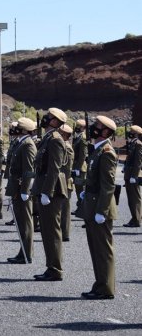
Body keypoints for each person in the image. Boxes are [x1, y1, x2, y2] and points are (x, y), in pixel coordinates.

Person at [81, 115, 117, 300]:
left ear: (106, 131)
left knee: (103, 249)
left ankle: (106, 288)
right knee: (95, 249)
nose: (93, 128)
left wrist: (102, 211)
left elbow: (108, 185)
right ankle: (100, 284)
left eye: (97, 126)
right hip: (93, 205)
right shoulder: (97, 150)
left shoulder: (107, 152)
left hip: (100, 209)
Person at [31, 107, 69, 281]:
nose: (46, 118)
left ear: (55, 121)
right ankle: (51, 267)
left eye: (49, 117)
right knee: (46, 231)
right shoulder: (48, 138)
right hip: (44, 187)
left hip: (51, 190)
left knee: (52, 231)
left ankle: (55, 269)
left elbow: (54, 168)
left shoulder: (55, 140)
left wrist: (47, 191)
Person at [5, 117, 37, 264]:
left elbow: (29, 170)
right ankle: (22, 252)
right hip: (16, 187)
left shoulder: (28, 145)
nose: (15, 128)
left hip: (21, 188)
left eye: (18, 127)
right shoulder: (21, 142)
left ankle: (26, 253)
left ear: (24, 130)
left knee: (25, 221)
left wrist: (25, 190)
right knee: (20, 221)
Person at [123, 125, 142, 227]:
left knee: (134, 198)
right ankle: (135, 217)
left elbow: (138, 162)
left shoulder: (138, 144)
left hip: (133, 175)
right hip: (129, 173)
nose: (129, 133)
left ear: (135, 134)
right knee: (131, 198)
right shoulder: (132, 143)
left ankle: (136, 220)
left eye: (131, 132)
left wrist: (134, 176)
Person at [58, 124, 75, 242]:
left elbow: (67, 168)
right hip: (62, 181)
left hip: (65, 182)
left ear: (64, 135)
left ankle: (65, 233)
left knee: (65, 209)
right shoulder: (63, 145)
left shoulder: (67, 147)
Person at [71, 119, 88, 216]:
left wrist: (78, 167)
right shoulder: (77, 137)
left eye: (79, 126)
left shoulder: (83, 138)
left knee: (81, 190)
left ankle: (84, 208)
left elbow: (83, 155)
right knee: (78, 189)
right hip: (76, 166)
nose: (77, 128)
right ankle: (80, 207)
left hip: (80, 168)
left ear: (83, 128)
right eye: (76, 126)